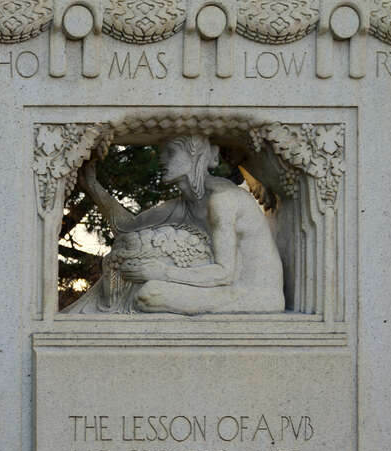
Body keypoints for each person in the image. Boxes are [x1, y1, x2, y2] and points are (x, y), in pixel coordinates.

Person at [69, 134, 284, 315]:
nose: (161, 158)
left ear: (196, 157)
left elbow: (224, 273)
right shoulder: (183, 205)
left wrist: (162, 272)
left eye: (170, 152)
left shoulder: (222, 199)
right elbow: (128, 228)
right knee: (136, 281)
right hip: (222, 288)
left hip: (254, 294)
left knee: (148, 294)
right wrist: (93, 187)